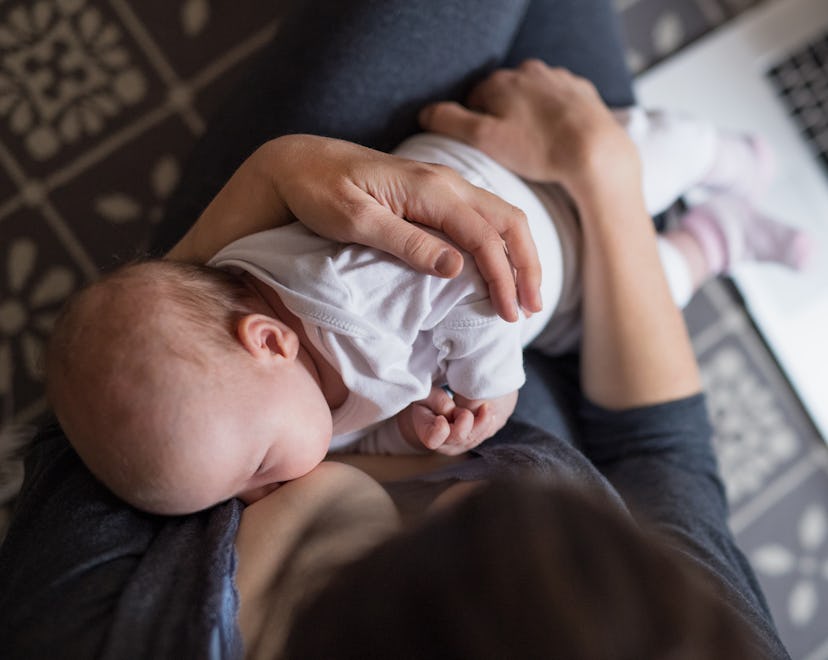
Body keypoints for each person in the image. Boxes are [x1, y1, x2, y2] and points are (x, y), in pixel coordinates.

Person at [0, 1, 791, 659]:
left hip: (477, 238)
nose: (255, 493)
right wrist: (601, 174)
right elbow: (661, 456)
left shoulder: (99, 613)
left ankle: (708, 176)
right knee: (626, 190)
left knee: (616, 133)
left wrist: (277, 173)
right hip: (538, 332)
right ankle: (705, 240)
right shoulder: (270, 433)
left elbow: (121, 386)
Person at [44, 94, 808, 516]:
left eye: (253, 470)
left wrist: (489, 385)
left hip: (518, 186)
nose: (259, 493)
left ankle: (730, 157)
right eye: (240, 493)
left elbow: (473, 281)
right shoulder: (275, 409)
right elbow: (364, 435)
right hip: (558, 298)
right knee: (659, 286)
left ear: (271, 340)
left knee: (648, 150)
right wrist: (415, 433)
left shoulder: (343, 289)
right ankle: (726, 238)